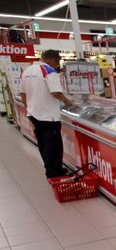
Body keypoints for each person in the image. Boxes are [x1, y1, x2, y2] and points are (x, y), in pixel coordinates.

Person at [20, 50, 74, 178]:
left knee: (43, 144)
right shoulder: (49, 71)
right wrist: (69, 102)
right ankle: (54, 172)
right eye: (57, 62)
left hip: (34, 114)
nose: (57, 65)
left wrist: (29, 108)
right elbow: (56, 92)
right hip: (49, 115)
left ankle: (50, 168)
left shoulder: (27, 71)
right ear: (52, 60)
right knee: (53, 144)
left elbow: (23, 94)